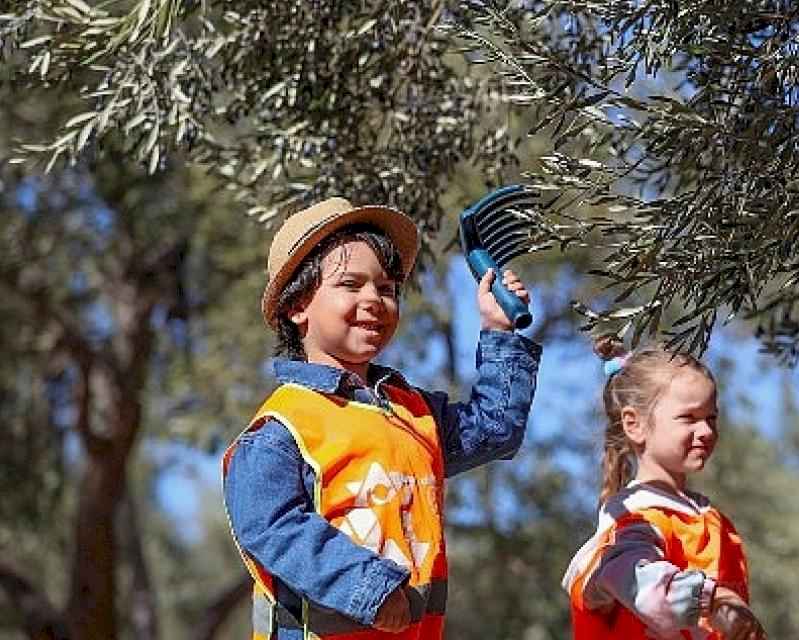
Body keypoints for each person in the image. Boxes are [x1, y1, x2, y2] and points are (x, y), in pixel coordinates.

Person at [222, 197, 541, 639]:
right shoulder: (282, 429)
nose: (374, 298)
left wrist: (499, 332)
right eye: (351, 284)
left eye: (387, 288)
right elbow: (271, 527)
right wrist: (370, 589)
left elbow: (495, 430)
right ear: (297, 307)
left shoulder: (415, 414)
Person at [562, 338, 767, 640]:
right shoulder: (635, 521)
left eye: (712, 417)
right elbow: (634, 580)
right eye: (689, 418)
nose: (707, 431)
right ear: (635, 425)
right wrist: (716, 602)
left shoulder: (711, 521)